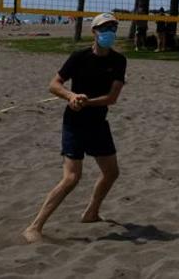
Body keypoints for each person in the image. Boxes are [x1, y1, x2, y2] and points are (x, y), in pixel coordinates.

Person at [24, 13, 127, 243]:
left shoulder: (119, 61)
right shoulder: (79, 57)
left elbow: (112, 97)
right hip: (75, 123)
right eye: (105, 28)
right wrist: (71, 96)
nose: (109, 32)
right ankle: (34, 227)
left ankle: (91, 213)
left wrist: (87, 102)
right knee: (72, 177)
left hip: (98, 122)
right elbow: (54, 84)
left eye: (113, 28)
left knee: (111, 173)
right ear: (95, 32)